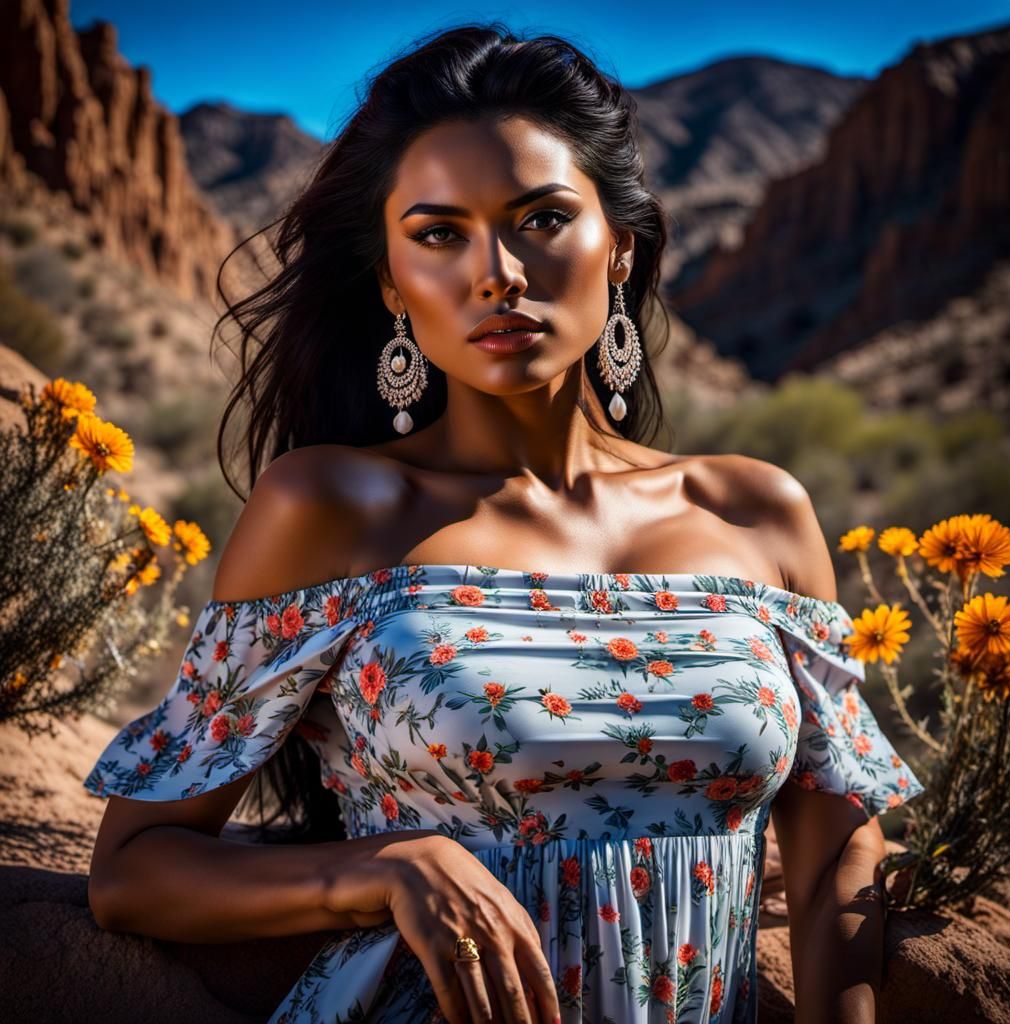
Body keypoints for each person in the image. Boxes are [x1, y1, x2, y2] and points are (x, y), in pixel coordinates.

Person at [82, 22, 924, 1024]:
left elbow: (835, 849)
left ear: (618, 246)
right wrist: (384, 866)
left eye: (539, 219)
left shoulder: (754, 514)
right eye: (440, 234)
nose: (497, 273)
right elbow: (132, 869)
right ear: (393, 282)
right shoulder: (331, 509)